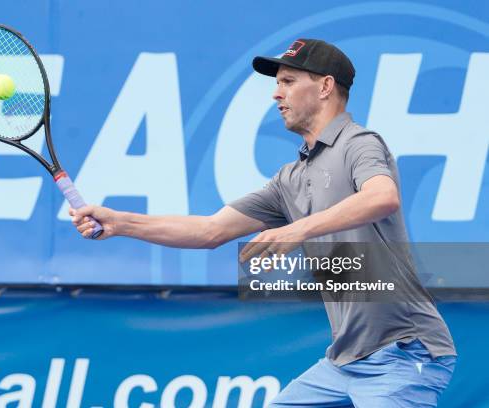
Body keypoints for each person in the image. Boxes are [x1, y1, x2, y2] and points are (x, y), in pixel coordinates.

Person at [69, 38, 457, 407]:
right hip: (344, 362)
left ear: (325, 87)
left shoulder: (360, 143)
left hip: (404, 351)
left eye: (288, 82)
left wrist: (298, 228)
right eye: (277, 84)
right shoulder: (290, 178)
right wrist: (121, 222)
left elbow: (382, 197)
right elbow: (209, 231)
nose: (276, 94)